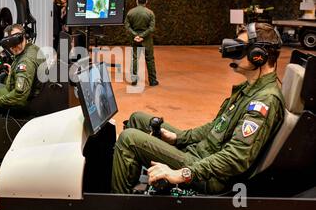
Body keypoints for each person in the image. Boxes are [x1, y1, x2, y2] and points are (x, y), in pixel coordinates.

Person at [112, 23, 285, 194]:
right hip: (201, 153)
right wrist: (178, 138)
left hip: (210, 175)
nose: (233, 54)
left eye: (240, 48)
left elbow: (236, 158)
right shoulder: (249, 88)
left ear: (258, 55)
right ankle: (127, 177)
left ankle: (119, 206)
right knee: (138, 118)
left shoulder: (265, 101)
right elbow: (216, 126)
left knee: (129, 139)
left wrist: (182, 174)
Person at [125, 0, 158, 86]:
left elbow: (127, 26)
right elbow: (151, 28)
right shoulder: (150, 13)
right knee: (150, 59)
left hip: (134, 39)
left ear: (137, 1)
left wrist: (136, 35)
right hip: (147, 40)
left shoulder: (130, 12)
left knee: (135, 58)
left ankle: (134, 80)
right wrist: (142, 36)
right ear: (146, 2)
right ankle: (152, 81)